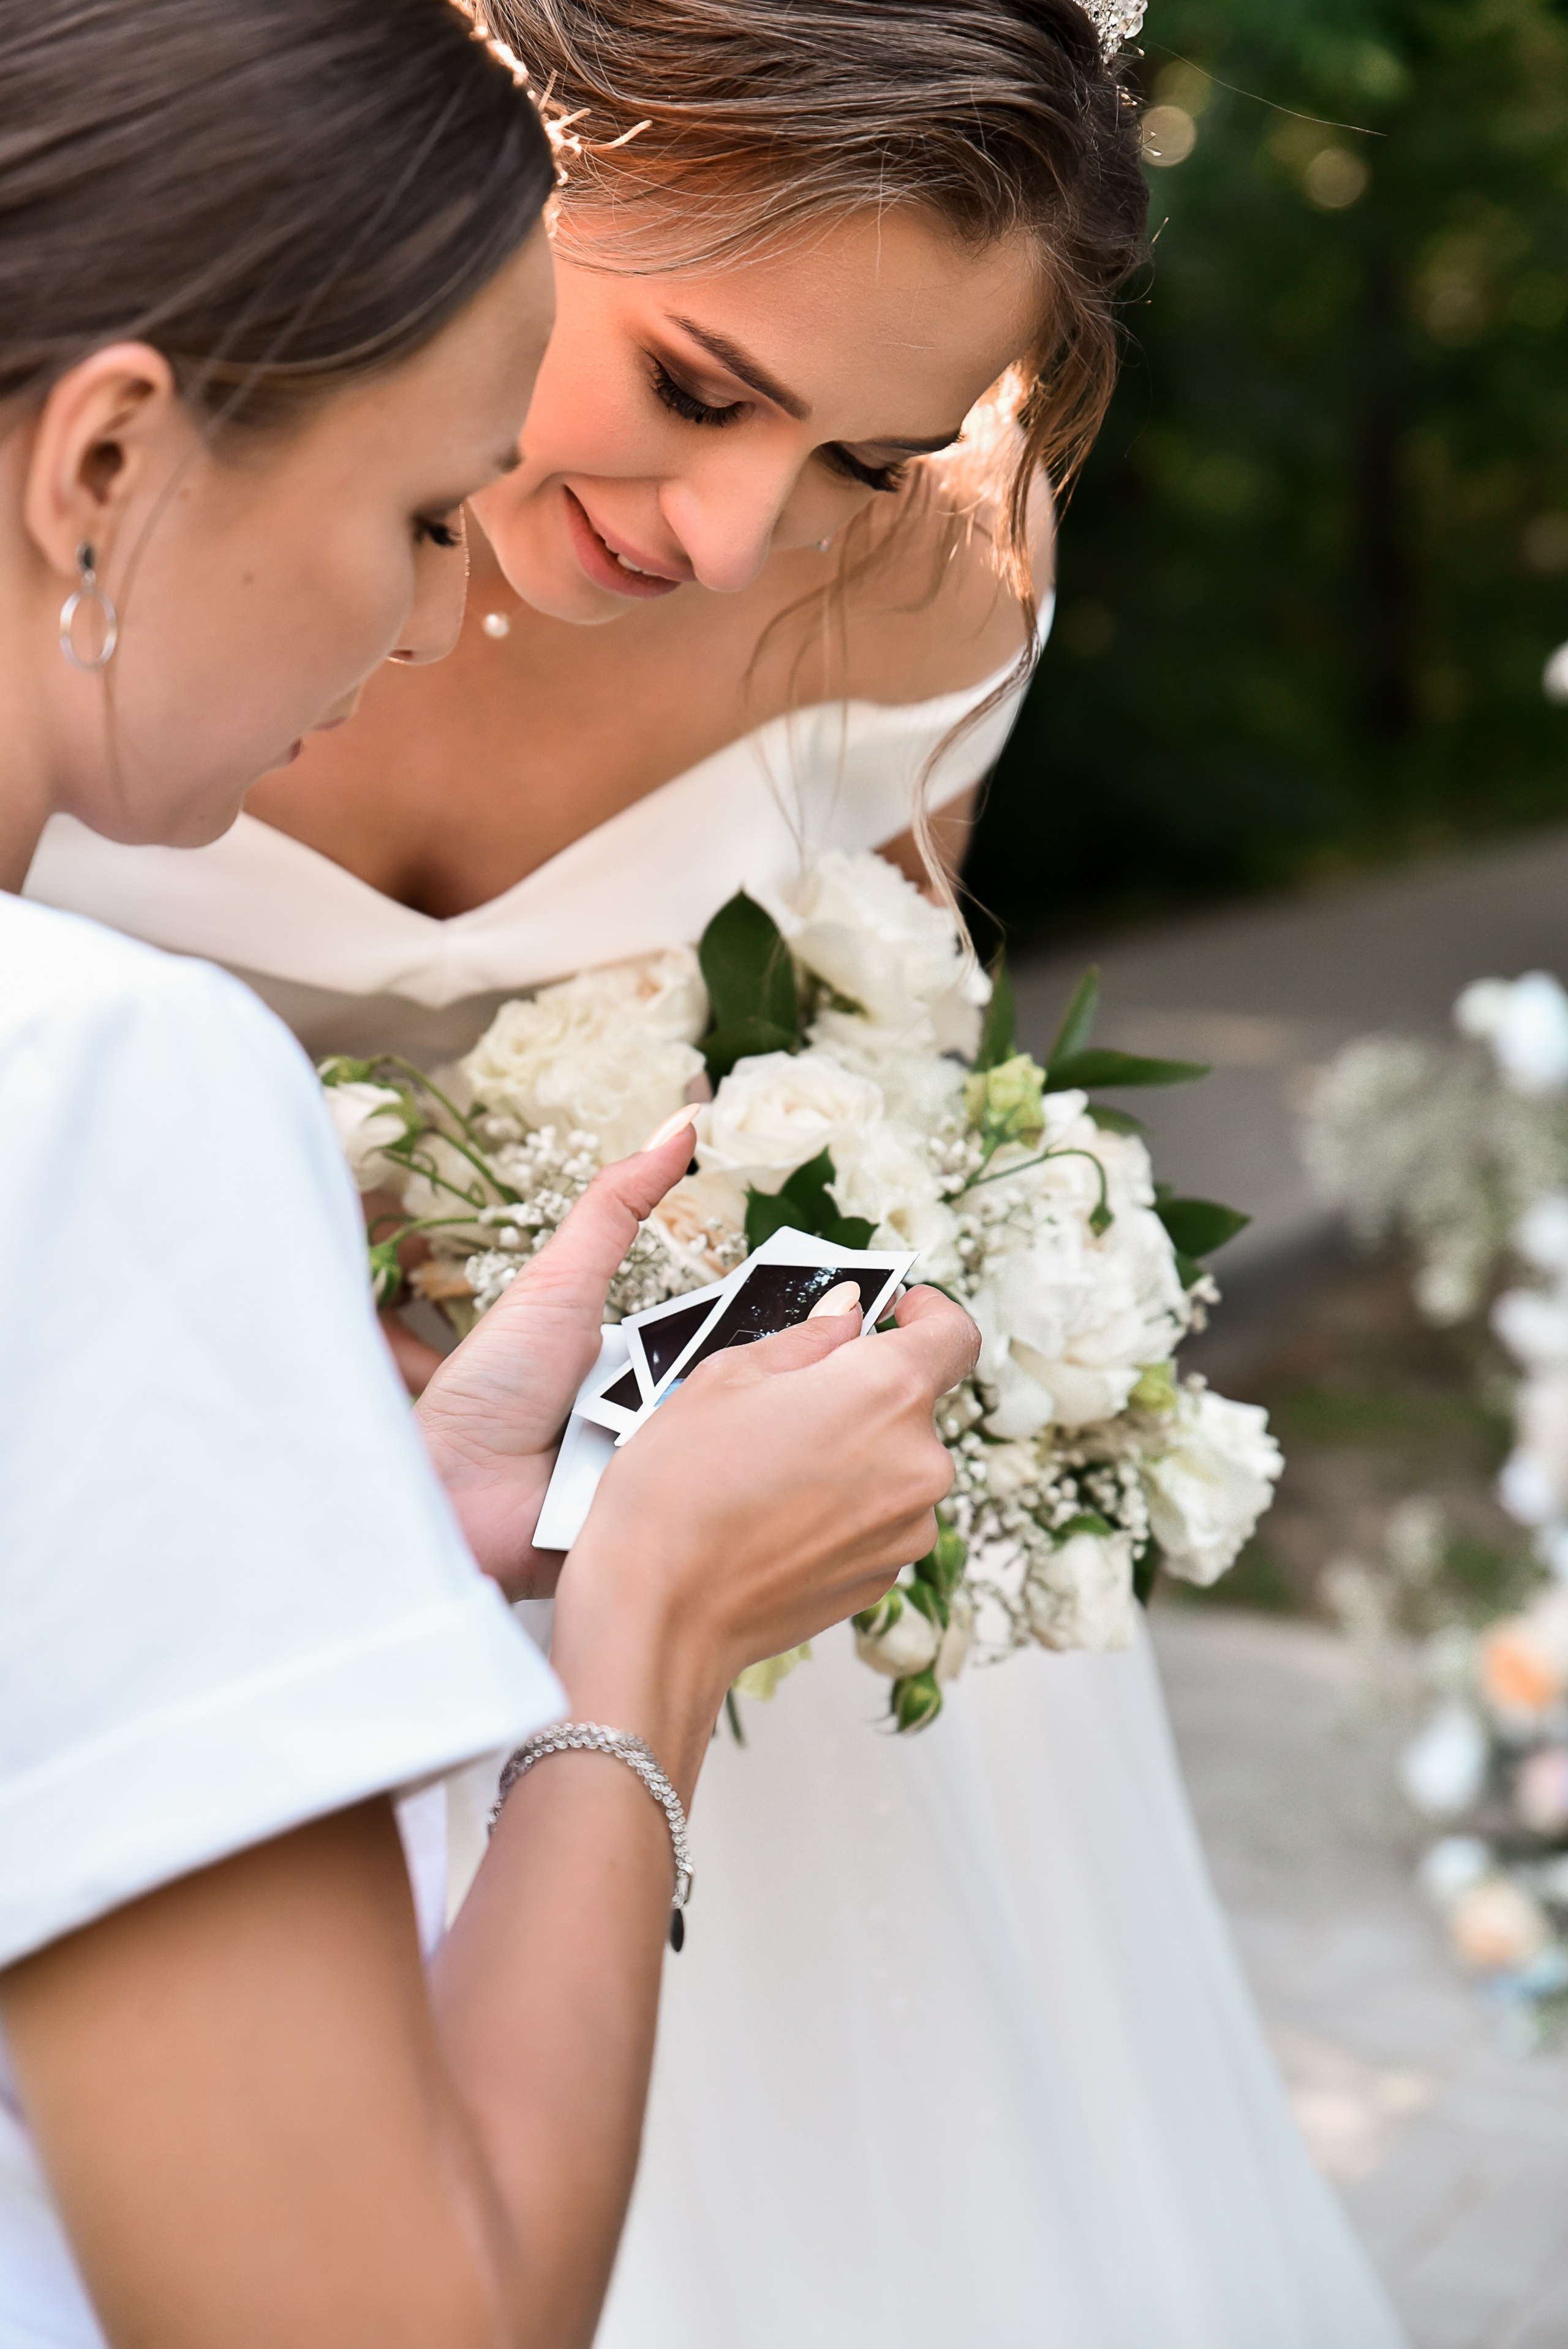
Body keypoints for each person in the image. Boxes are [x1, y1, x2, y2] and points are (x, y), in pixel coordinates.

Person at [24, 2, 1409, 2344]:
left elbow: (882, 1033)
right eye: (694, 386)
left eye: (862, 455)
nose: (740, 529)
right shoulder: (98, 1040)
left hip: (615, 1571)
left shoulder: (926, 586)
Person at [0, 9, 978, 2348]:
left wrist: (372, 1511)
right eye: (425, 512)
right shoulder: (108, 1083)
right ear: (112, 452)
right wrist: (644, 1631)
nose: (442, 616)